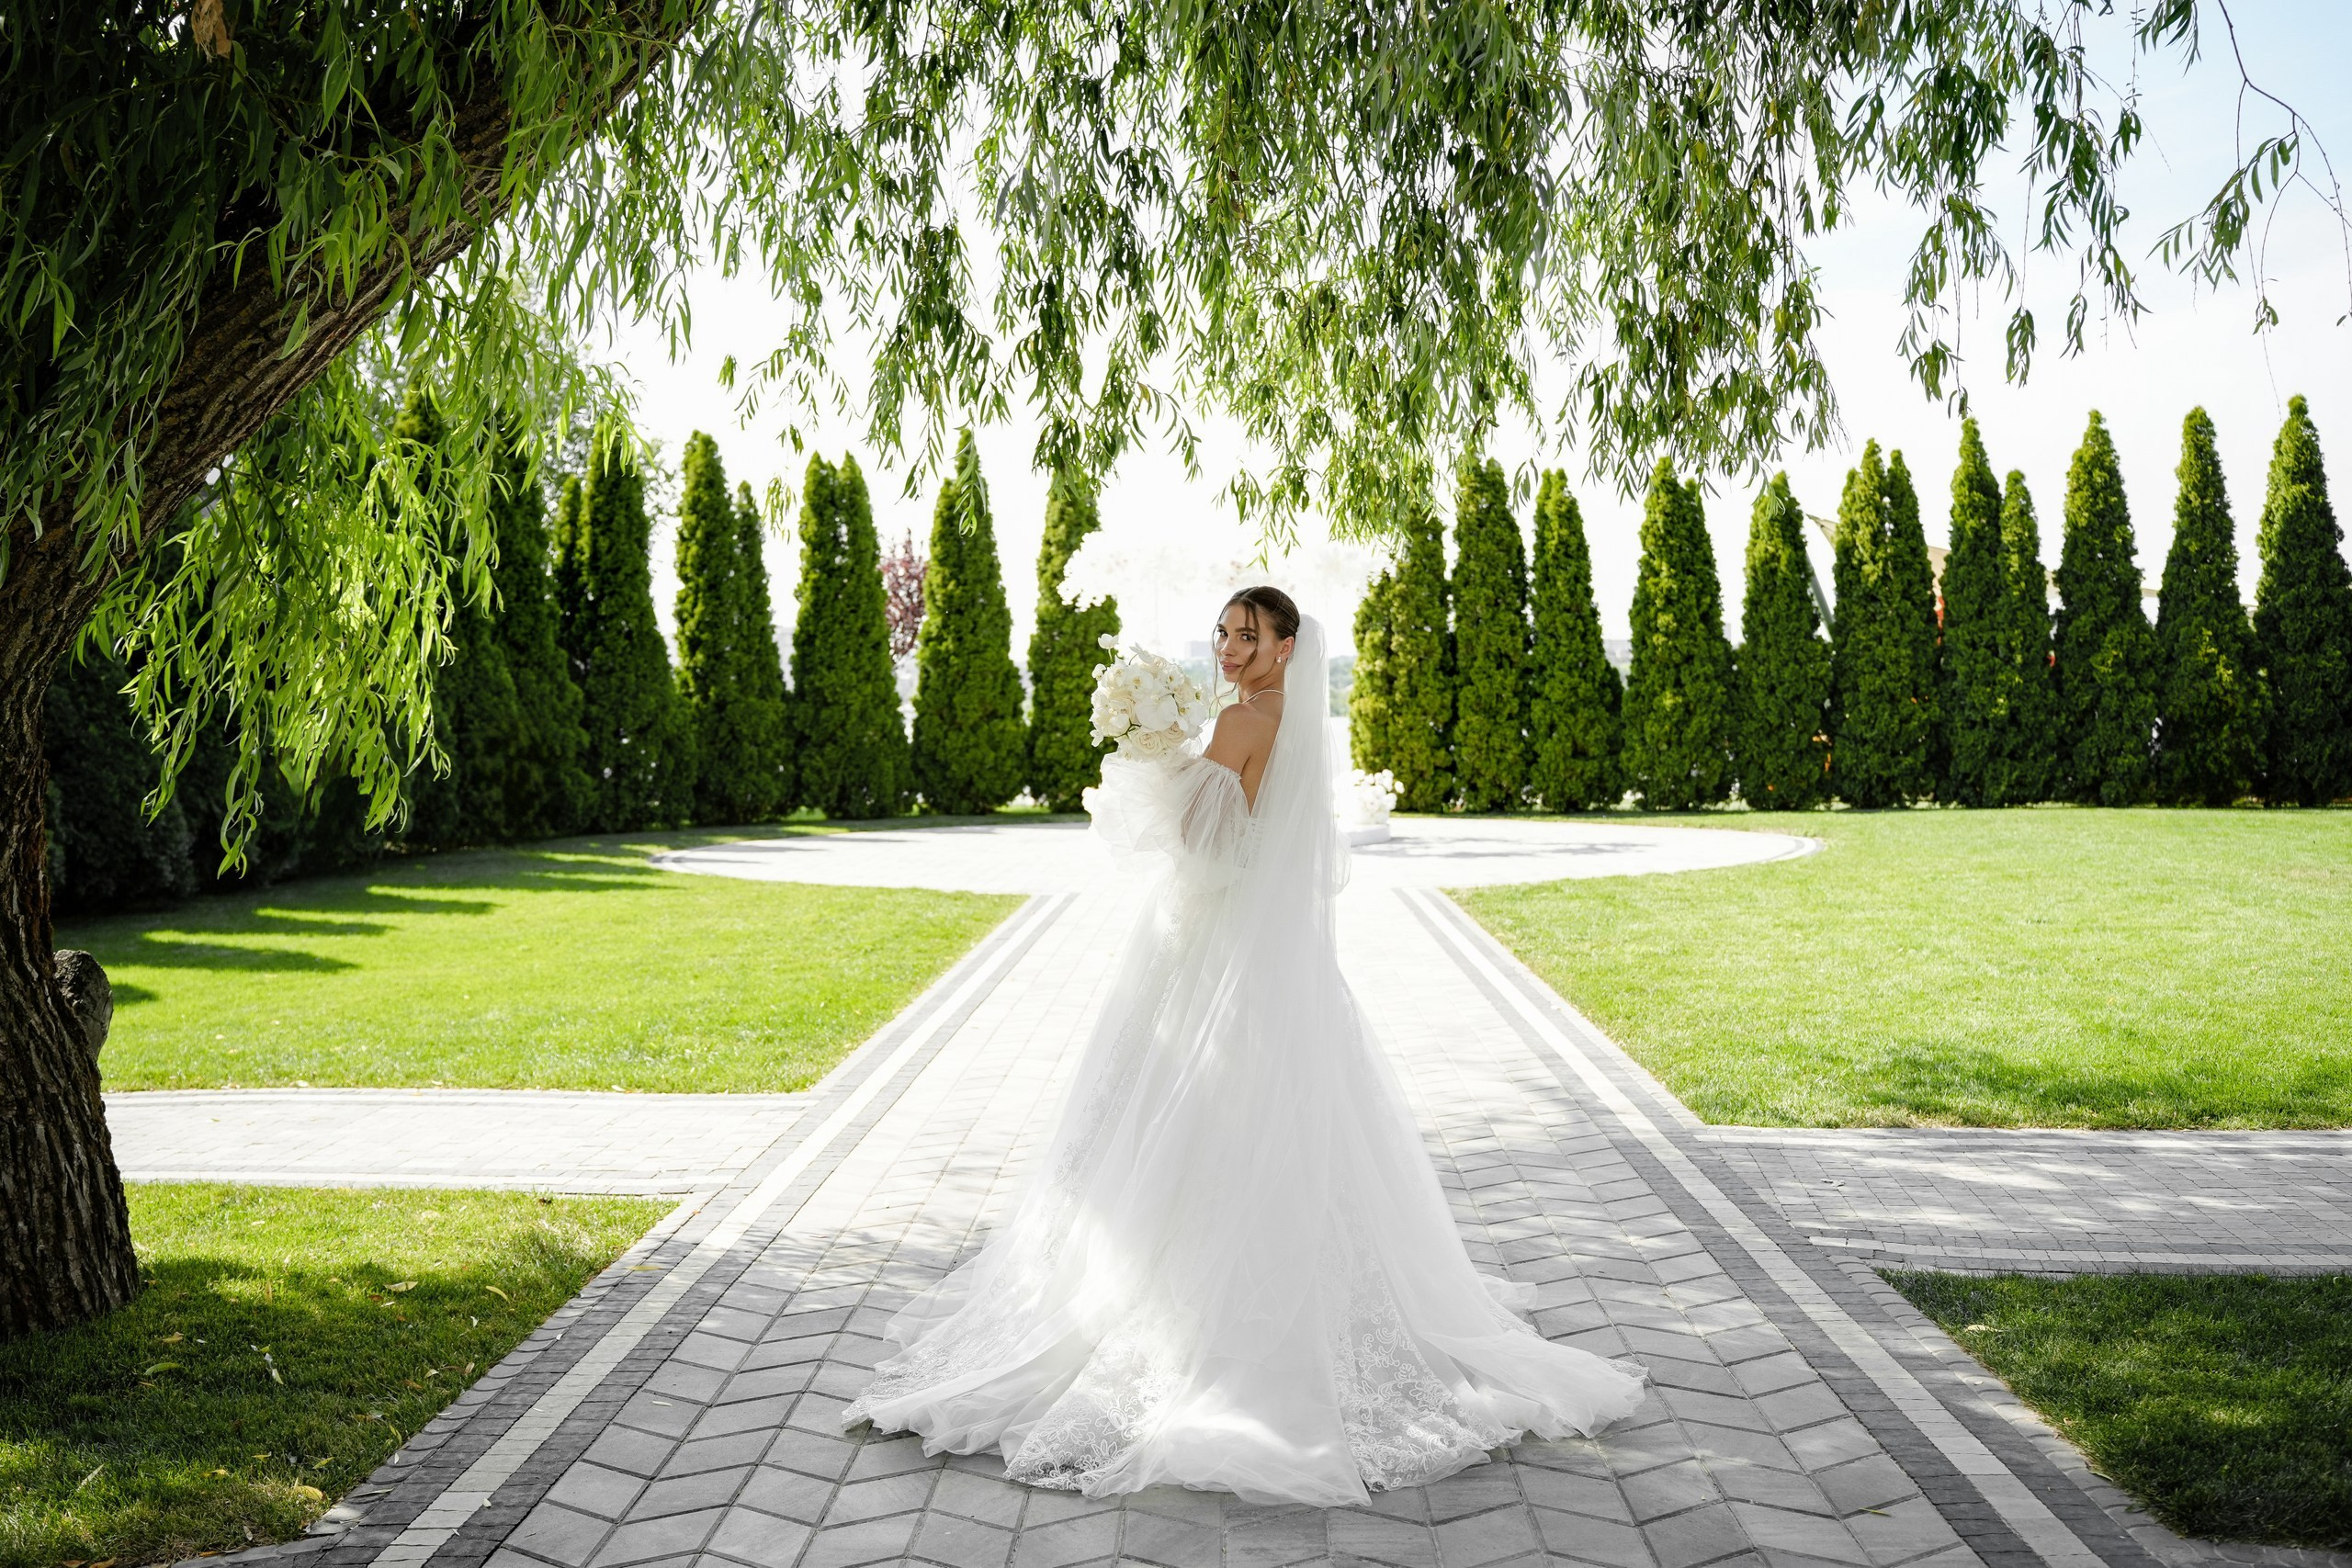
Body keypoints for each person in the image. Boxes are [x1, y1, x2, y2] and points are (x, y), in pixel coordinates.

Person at [842, 586, 1645, 1506]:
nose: (1228, 647)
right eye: (1223, 632)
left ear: (1285, 643)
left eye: (1247, 634)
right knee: (1288, 1113)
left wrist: (1155, 761)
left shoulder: (1241, 722)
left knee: (1182, 1113)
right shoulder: (1293, 720)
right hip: (1269, 952)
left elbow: (1198, 848)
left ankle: (1185, 1309)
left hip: (1210, 944)